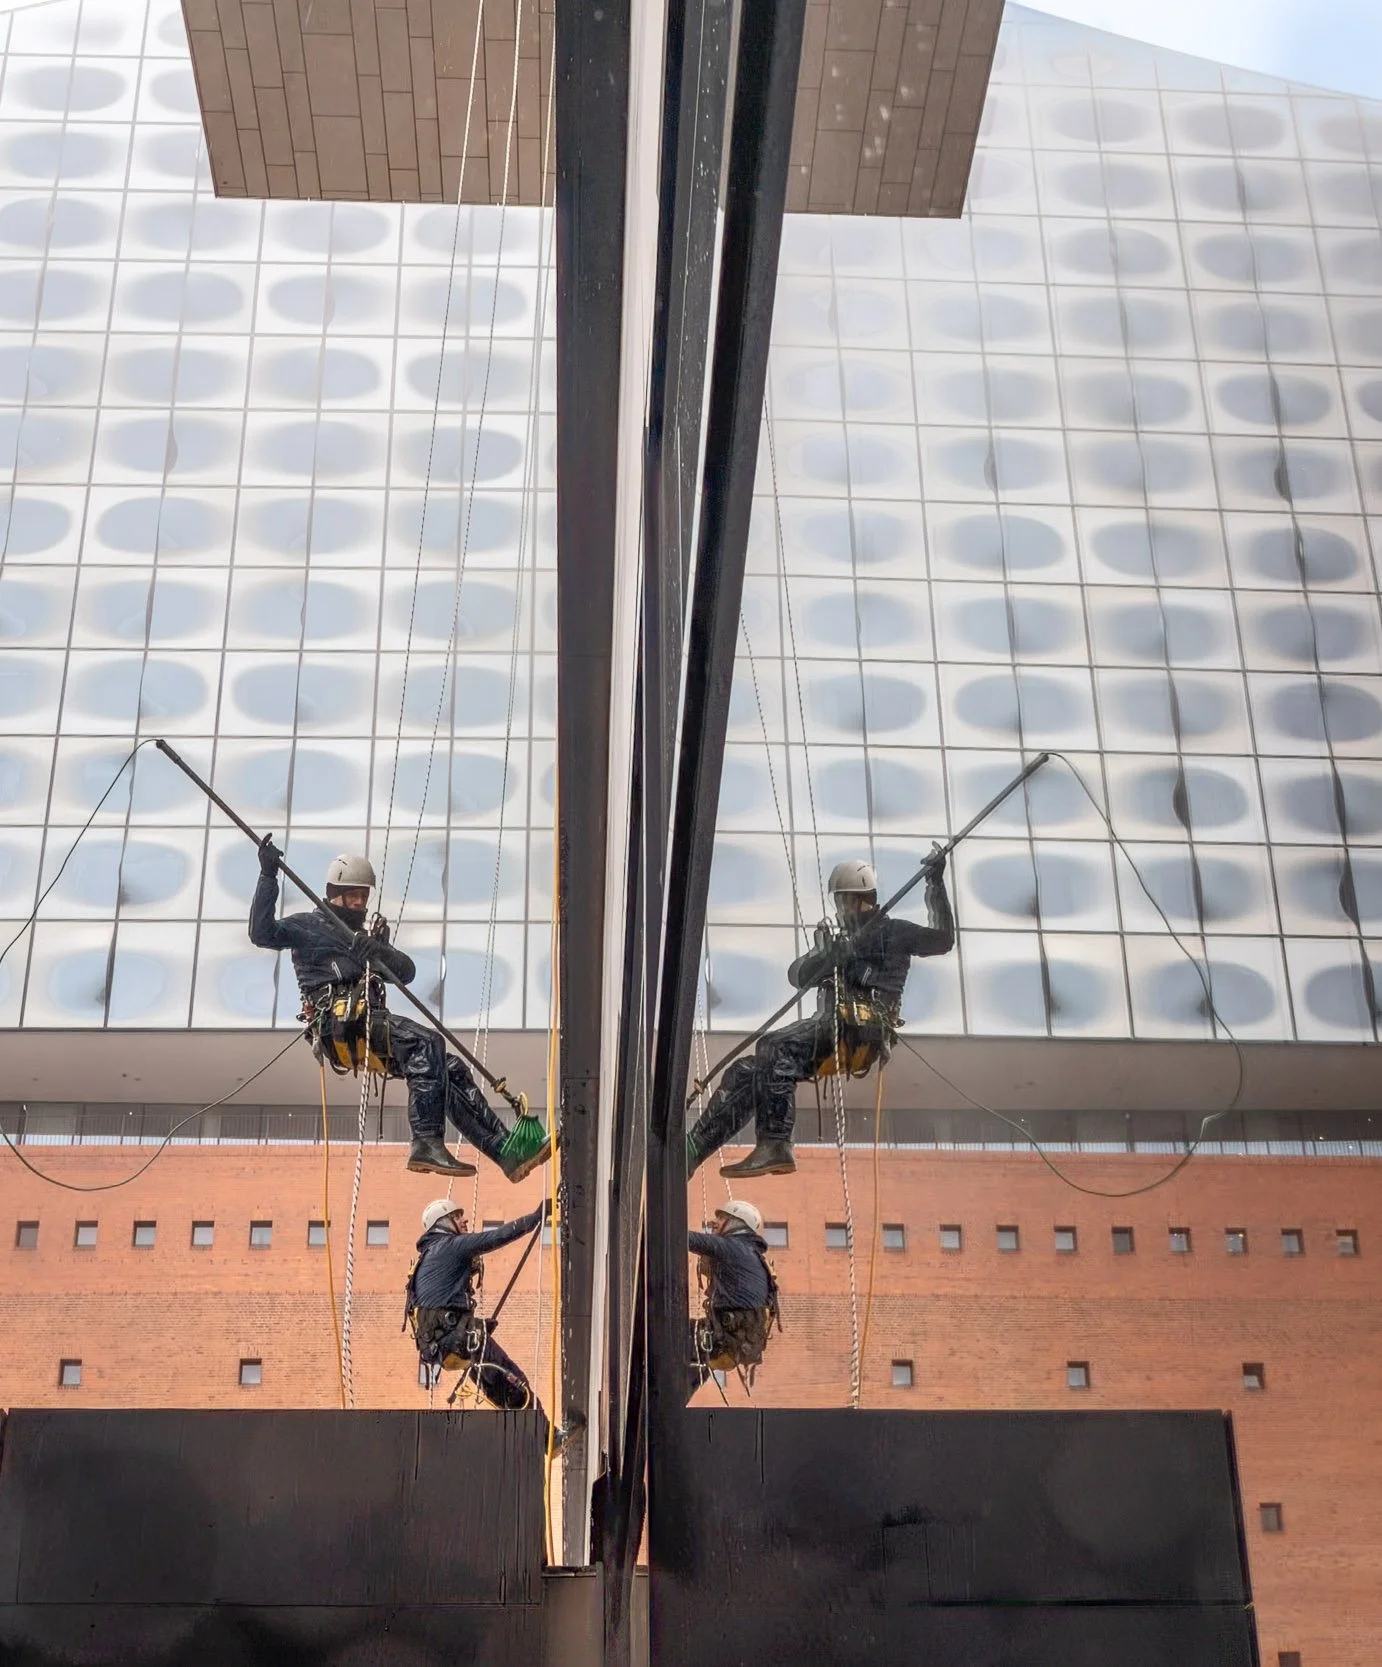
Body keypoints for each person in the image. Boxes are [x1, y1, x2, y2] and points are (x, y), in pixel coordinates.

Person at [249, 839, 549, 1182]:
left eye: (363, 895)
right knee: (427, 1043)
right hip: (340, 1022)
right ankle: (426, 1142)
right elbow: (262, 933)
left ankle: (506, 1150)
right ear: (335, 894)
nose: (359, 902)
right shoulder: (307, 926)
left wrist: (380, 951)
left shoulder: (362, 937)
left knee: (448, 1067)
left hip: (366, 1023)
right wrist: (268, 876)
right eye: (352, 895)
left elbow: (406, 973)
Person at [686, 848, 954, 1179]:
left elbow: (943, 940)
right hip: (832, 1027)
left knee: (774, 1046)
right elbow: (798, 975)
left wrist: (935, 884)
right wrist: (827, 956)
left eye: (844, 900)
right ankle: (693, 1150)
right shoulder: (839, 940)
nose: (840, 908)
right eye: (838, 901)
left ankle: (776, 1143)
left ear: (860, 898)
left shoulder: (895, 932)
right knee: (746, 1072)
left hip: (861, 1027)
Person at [406, 1196, 566, 1438]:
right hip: (460, 1339)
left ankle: (535, 1439)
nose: (464, 1220)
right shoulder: (450, 1246)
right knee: (513, 1379)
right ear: (443, 1223)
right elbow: (496, 1237)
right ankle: (548, 1438)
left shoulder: (427, 1258)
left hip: (444, 1346)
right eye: (457, 1216)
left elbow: (437, 1303)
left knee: (495, 1386)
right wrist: (536, 1217)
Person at [687, 1198, 779, 1398]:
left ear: (735, 1223)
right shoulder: (751, 1254)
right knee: (696, 1358)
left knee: (670, 1332)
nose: (715, 1223)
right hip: (734, 1340)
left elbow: (685, 1239)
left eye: (721, 1219)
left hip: (726, 1338)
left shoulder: (733, 1248)